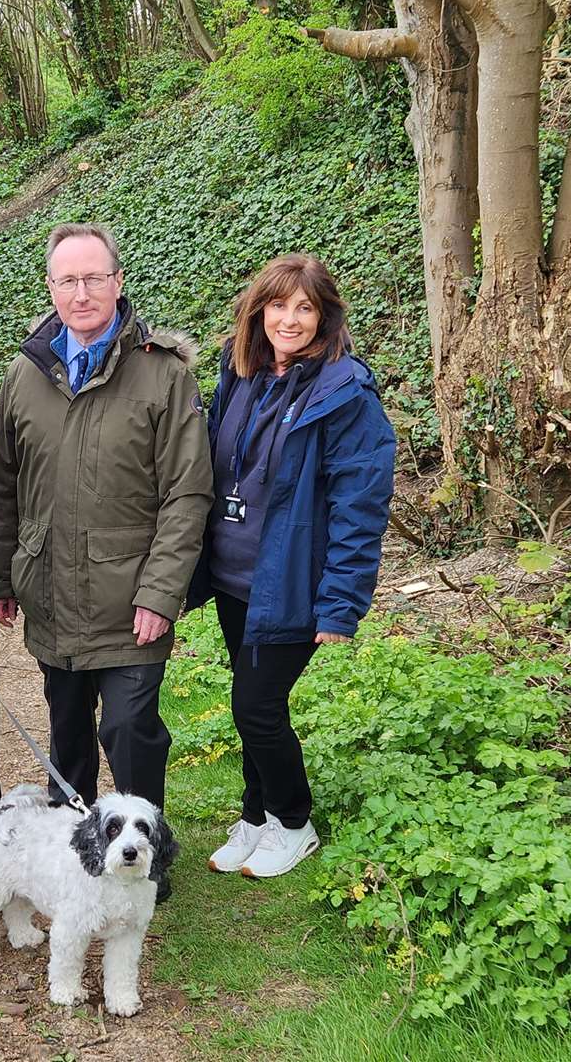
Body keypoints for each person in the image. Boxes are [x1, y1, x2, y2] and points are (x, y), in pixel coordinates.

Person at [0, 222, 213, 900]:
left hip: (132, 597)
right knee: (68, 734)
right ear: (50, 288)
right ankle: (74, 859)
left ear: (116, 281)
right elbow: (1, 485)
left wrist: (160, 592)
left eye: (92, 278)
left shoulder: (162, 374)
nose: (80, 292)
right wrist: (0, 574)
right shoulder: (25, 374)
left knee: (129, 727)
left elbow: (186, 491)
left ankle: (148, 864)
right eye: (66, 280)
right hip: (51, 590)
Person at [186, 254, 395, 878]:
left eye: (305, 307)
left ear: (325, 316)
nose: (290, 319)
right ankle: (257, 817)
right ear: (259, 310)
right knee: (250, 700)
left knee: (257, 706)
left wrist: (341, 601)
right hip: (234, 573)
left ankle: (295, 821)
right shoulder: (239, 370)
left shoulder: (345, 394)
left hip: (292, 581)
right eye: (278, 305)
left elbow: (360, 505)